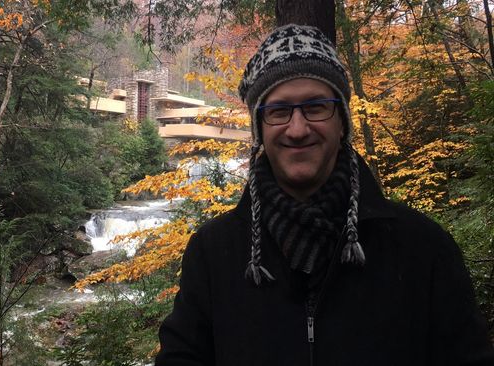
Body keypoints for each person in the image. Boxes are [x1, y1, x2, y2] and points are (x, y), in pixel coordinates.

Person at [155, 24, 494, 366]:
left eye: (316, 107)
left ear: (342, 122)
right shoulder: (213, 253)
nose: (298, 129)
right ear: (259, 128)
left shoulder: (424, 248)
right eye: (279, 111)